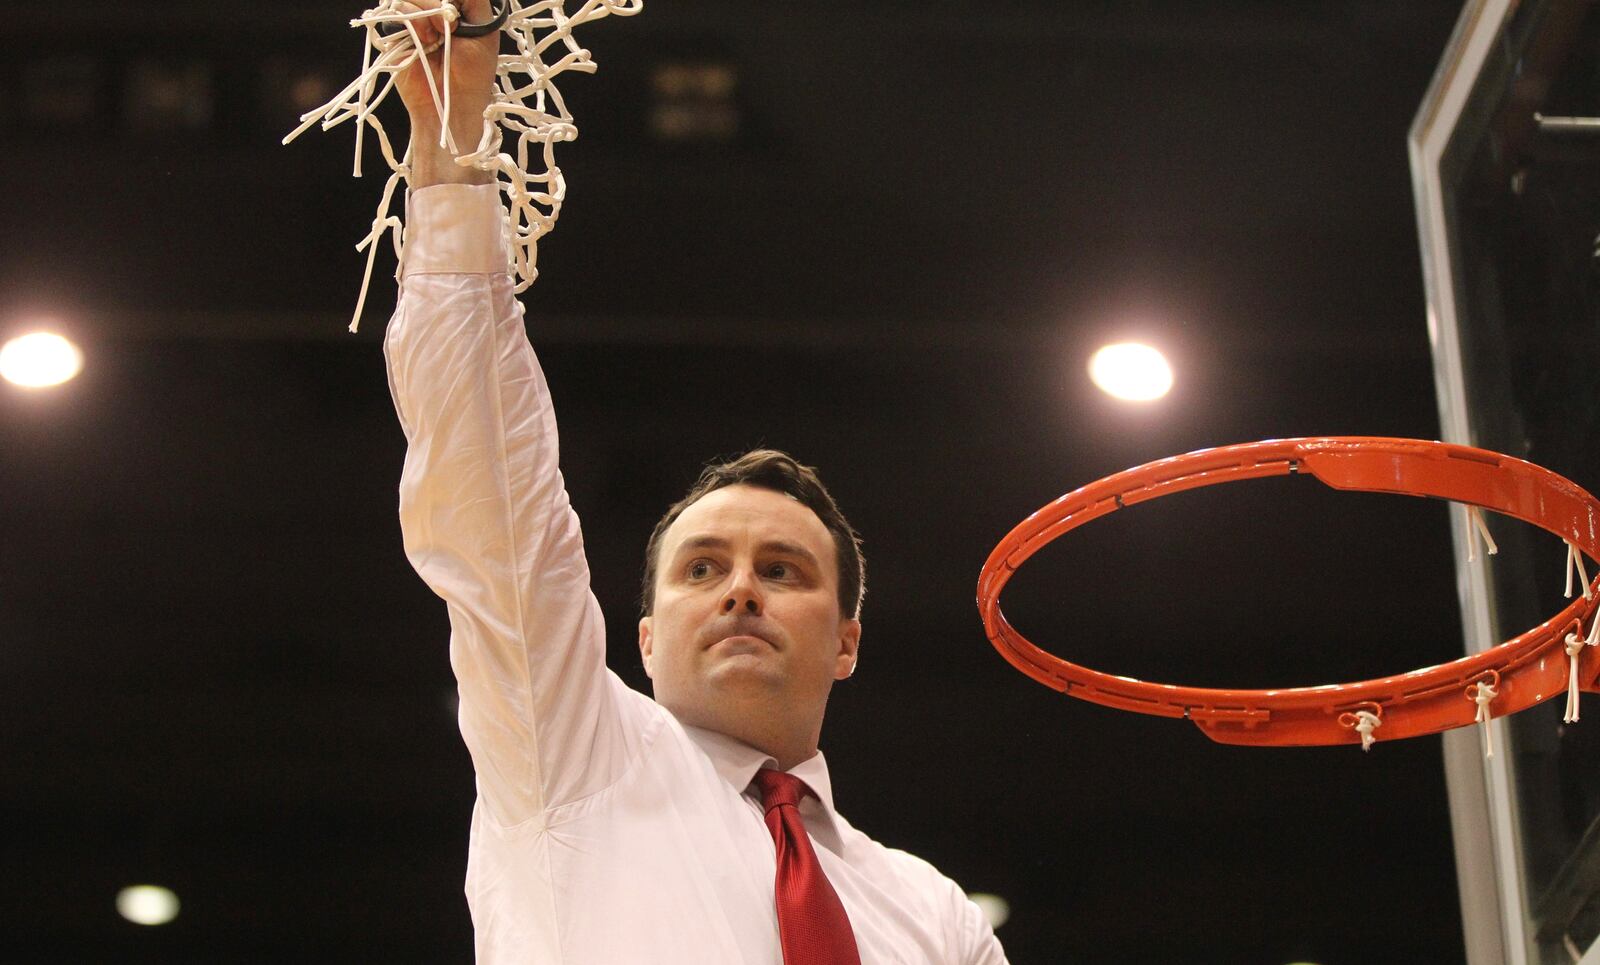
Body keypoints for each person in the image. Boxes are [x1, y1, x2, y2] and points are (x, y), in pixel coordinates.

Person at [382, 2, 1009, 961]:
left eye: (786, 571)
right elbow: (492, 499)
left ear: (847, 642)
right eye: (702, 568)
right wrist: (453, 156)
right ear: (642, 635)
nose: (742, 588)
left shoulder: (937, 919)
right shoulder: (573, 749)